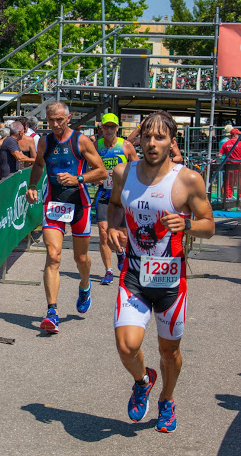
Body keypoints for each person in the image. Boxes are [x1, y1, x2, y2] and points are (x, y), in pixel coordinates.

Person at [107, 110, 214, 432]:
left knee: (169, 352)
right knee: (127, 346)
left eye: (160, 137)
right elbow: (114, 206)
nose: (152, 143)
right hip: (134, 276)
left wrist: (187, 224)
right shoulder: (123, 173)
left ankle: (167, 399)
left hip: (170, 281)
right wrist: (112, 228)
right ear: (138, 139)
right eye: (147, 136)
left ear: (171, 142)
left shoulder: (188, 180)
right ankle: (143, 380)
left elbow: (209, 226)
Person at [26, 101, 107, 334]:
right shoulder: (45, 141)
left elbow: (101, 171)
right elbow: (39, 165)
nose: (55, 124)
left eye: (60, 119)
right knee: (53, 256)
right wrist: (32, 185)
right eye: (51, 120)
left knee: (81, 258)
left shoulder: (81, 140)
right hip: (53, 203)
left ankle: (84, 284)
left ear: (69, 117)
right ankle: (52, 312)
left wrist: (78, 179)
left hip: (79, 202)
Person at [94, 113, 139, 285]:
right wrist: (95, 176)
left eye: (113, 127)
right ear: (102, 128)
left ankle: (121, 254)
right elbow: (87, 167)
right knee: (104, 232)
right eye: (106, 126)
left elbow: (138, 168)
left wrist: (123, 174)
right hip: (104, 194)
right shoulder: (96, 146)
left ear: (117, 129)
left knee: (122, 236)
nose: (109, 130)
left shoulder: (126, 146)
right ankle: (108, 271)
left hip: (123, 196)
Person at [219, 128, 241, 199]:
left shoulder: (225, 144)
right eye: (238, 134)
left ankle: (228, 202)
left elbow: (219, 155)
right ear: (234, 135)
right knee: (239, 184)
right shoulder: (240, 143)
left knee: (228, 184)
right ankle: (239, 201)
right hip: (239, 166)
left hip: (229, 167)